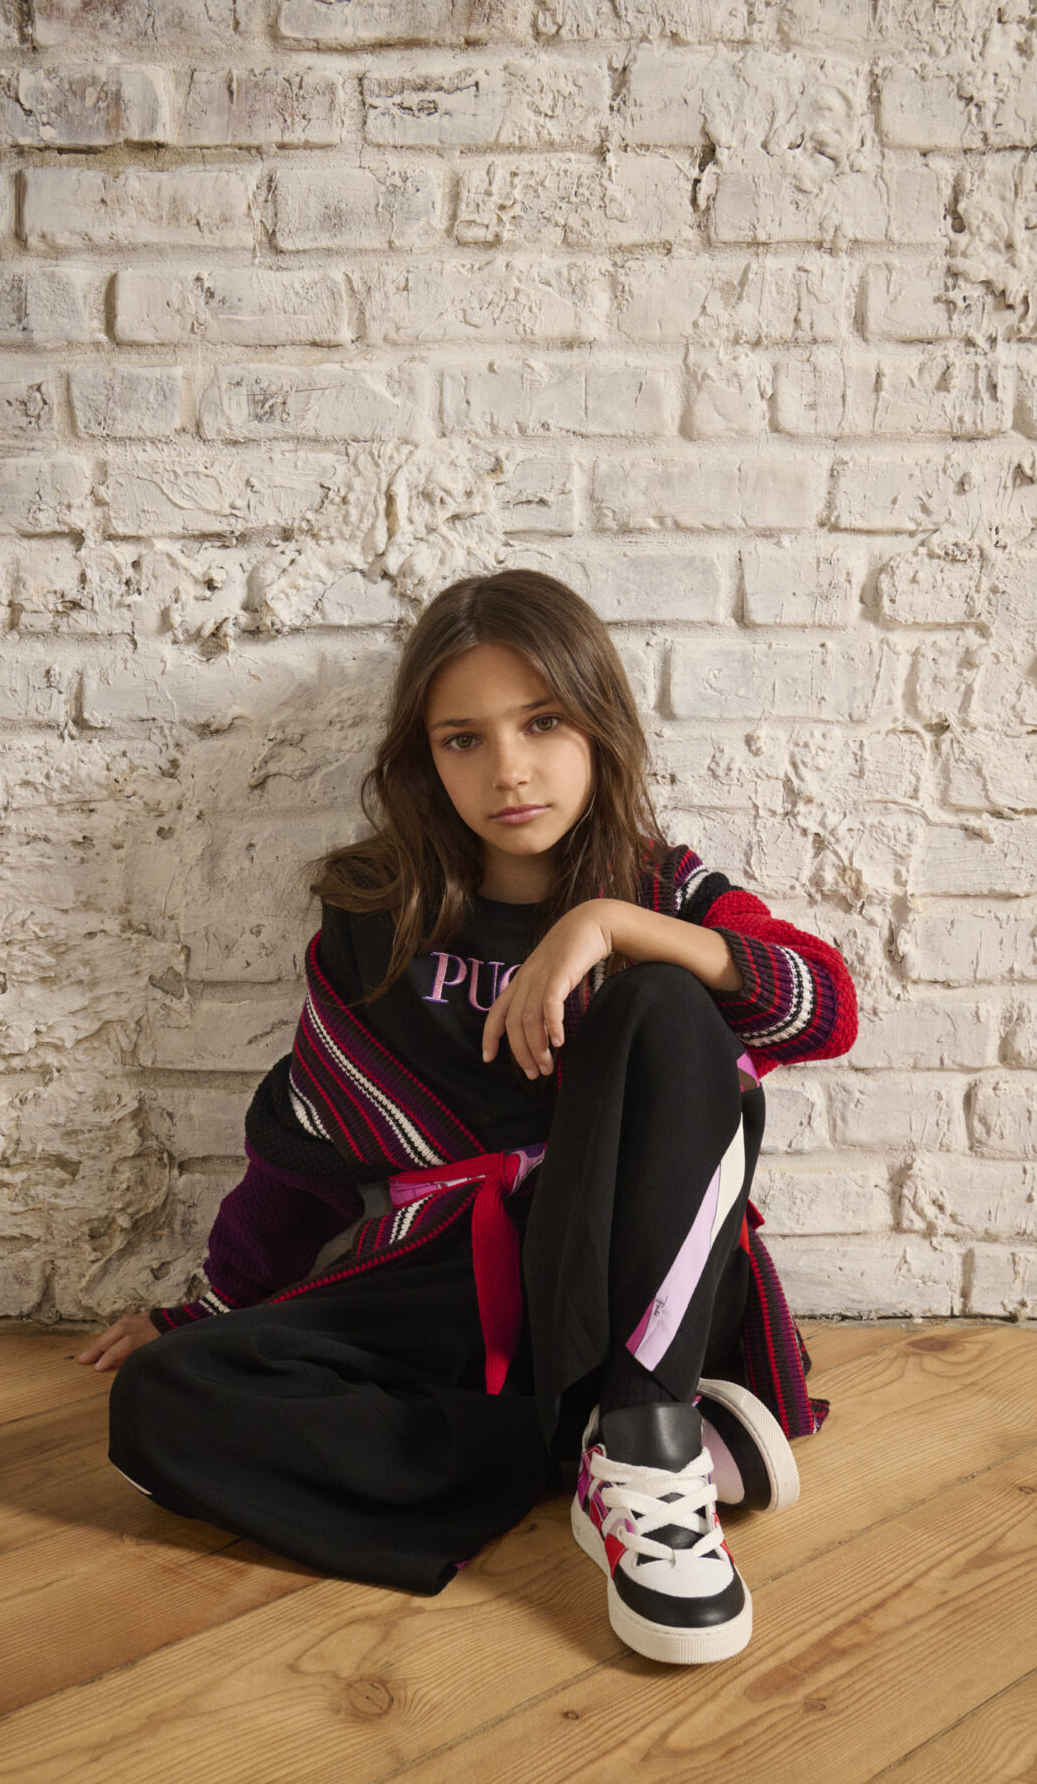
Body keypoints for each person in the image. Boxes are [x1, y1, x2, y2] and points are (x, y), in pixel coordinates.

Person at [78, 569, 857, 1665]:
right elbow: (303, 1146)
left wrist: (609, 922)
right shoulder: (373, 922)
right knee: (163, 1404)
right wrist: (201, 1311)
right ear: (423, 759)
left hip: (632, 1284)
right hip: (444, 1278)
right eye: (463, 740)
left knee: (671, 1003)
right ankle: (572, 1448)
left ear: (599, 724)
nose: (510, 770)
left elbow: (823, 1006)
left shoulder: (665, 890)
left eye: (542, 722)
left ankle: (640, 1432)